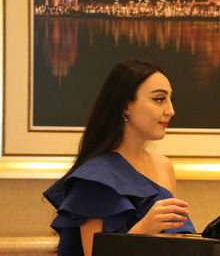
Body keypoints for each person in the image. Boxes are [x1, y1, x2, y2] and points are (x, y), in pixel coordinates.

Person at [43, 59, 196, 256]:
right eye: (159, 99)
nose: (170, 111)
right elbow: (95, 253)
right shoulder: (95, 177)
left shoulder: (163, 165)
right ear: (125, 106)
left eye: (170, 100)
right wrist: (144, 229)